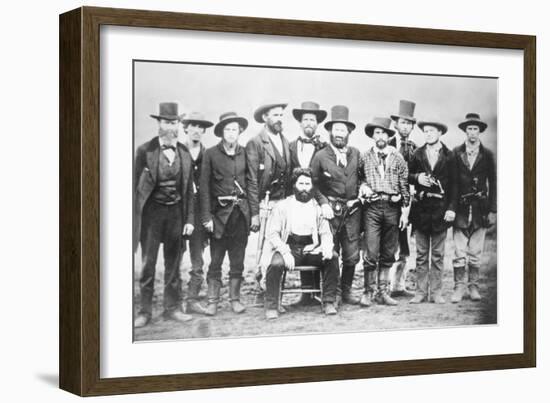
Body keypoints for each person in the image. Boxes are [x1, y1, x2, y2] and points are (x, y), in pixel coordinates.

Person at [133, 102, 195, 328]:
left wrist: (189, 220)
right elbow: (133, 188)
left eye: (174, 123)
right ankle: (144, 311)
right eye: (167, 122)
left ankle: (172, 308)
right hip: (151, 216)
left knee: (174, 264)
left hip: (176, 215)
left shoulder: (185, 152)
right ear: (158, 124)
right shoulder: (144, 151)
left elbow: (189, 189)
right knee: (148, 264)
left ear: (179, 125)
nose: (171, 127)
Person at [261, 168, 339, 319]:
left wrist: (326, 247)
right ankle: (271, 306)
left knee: (333, 258)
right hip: (289, 247)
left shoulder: (318, 208)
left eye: (307, 184)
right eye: (301, 183)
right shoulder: (282, 206)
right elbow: (272, 234)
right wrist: (284, 252)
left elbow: (325, 233)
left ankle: (328, 301)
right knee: (275, 264)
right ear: (294, 185)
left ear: (312, 187)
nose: (304, 187)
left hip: (312, 249)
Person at [200, 112, 251, 315]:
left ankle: (235, 299)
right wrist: (206, 218)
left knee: (237, 260)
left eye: (234, 129)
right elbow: (204, 188)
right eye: (227, 129)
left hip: (240, 216)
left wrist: (252, 215)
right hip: (218, 218)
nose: (231, 133)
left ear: (240, 132)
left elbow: (251, 183)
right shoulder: (210, 154)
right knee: (216, 260)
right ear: (222, 132)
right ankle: (212, 301)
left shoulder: (246, 153)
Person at [310, 105, 362, 306]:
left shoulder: (356, 154)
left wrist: (364, 187)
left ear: (348, 133)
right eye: (336, 130)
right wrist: (323, 203)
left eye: (343, 130)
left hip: (352, 213)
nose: (339, 134)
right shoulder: (321, 156)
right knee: (330, 254)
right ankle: (333, 294)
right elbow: (312, 184)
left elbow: (364, 177)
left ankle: (347, 291)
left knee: (351, 256)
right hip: (330, 212)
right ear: (330, 132)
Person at [359, 117, 410, 307]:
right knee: (371, 252)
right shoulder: (365, 156)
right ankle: (367, 292)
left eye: (384, 133)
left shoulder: (398, 158)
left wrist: (403, 208)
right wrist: (363, 187)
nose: (380, 137)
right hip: (372, 208)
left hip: (392, 208)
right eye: (377, 133)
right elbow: (359, 178)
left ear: (389, 136)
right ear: (373, 136)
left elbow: (404, 186)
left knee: (388, 252)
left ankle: (382, 292)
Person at [408, 120, 457, 304]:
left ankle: (436, 292)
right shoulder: (417, 154)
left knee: (437, 255)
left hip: (441, 212)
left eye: (431, 131)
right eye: (425, 131)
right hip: (421, 211)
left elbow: (455, 186)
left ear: (440, 133)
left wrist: (451, 209)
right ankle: (420, 292)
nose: (428, 134)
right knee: (421, 255)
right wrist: (417, 177)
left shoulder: (450, 156)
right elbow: (406, 176)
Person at [450, 113, 497, 302]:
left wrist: (493, 210)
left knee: (475, 253)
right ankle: (459, 288)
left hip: (480, 210)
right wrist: (451, 208)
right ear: (465, 131)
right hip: (460, 209)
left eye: (475, 129)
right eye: (469, 129)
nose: (472, 133)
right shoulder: (455, 153)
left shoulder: (487, 155)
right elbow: (452, 183)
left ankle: (474, 287)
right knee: (459, 252)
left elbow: (493, 183)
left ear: (480, 131)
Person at [287, 101, 328, 306]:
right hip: (296, 202)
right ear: (300, 123)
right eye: (305, 119)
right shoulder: (290, 146)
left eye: (313, 119)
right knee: (299, 241)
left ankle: (319, 293)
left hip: (316, 202)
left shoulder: (325, 148)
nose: (309, 123)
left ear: (318, 123)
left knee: (317, 243)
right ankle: (306, 294)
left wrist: (323, 202)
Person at [180, 111, 214, 315]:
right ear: (185, 128)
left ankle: (192, 299)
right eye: (193, 126)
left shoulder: (206, 154)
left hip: (200, 212)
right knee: (174, 258)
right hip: (178, 212)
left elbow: (207, 187)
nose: (197, 130)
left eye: (201, 127)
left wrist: (206, 216)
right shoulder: (177, 151)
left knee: (198, 260)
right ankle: (173, 302)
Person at [246, 102, 292, 231]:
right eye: (275, 115)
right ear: (265, 118)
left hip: (283, 204)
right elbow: (252, 180)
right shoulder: (255, 143)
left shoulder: (286, 142)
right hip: (264, 205)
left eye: (281, 115)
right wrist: (254, 213)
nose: (279, 119)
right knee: (263, 247)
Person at [388, 100, 418, 297]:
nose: (405, 126)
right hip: (389, 201)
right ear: (395, 125)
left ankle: (399, 285)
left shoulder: (416, 149)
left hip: (409, 203)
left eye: (409, 123)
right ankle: (385, 286)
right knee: (389, 242)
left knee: (405, 243)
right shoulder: (386, 145)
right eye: (402, 122)